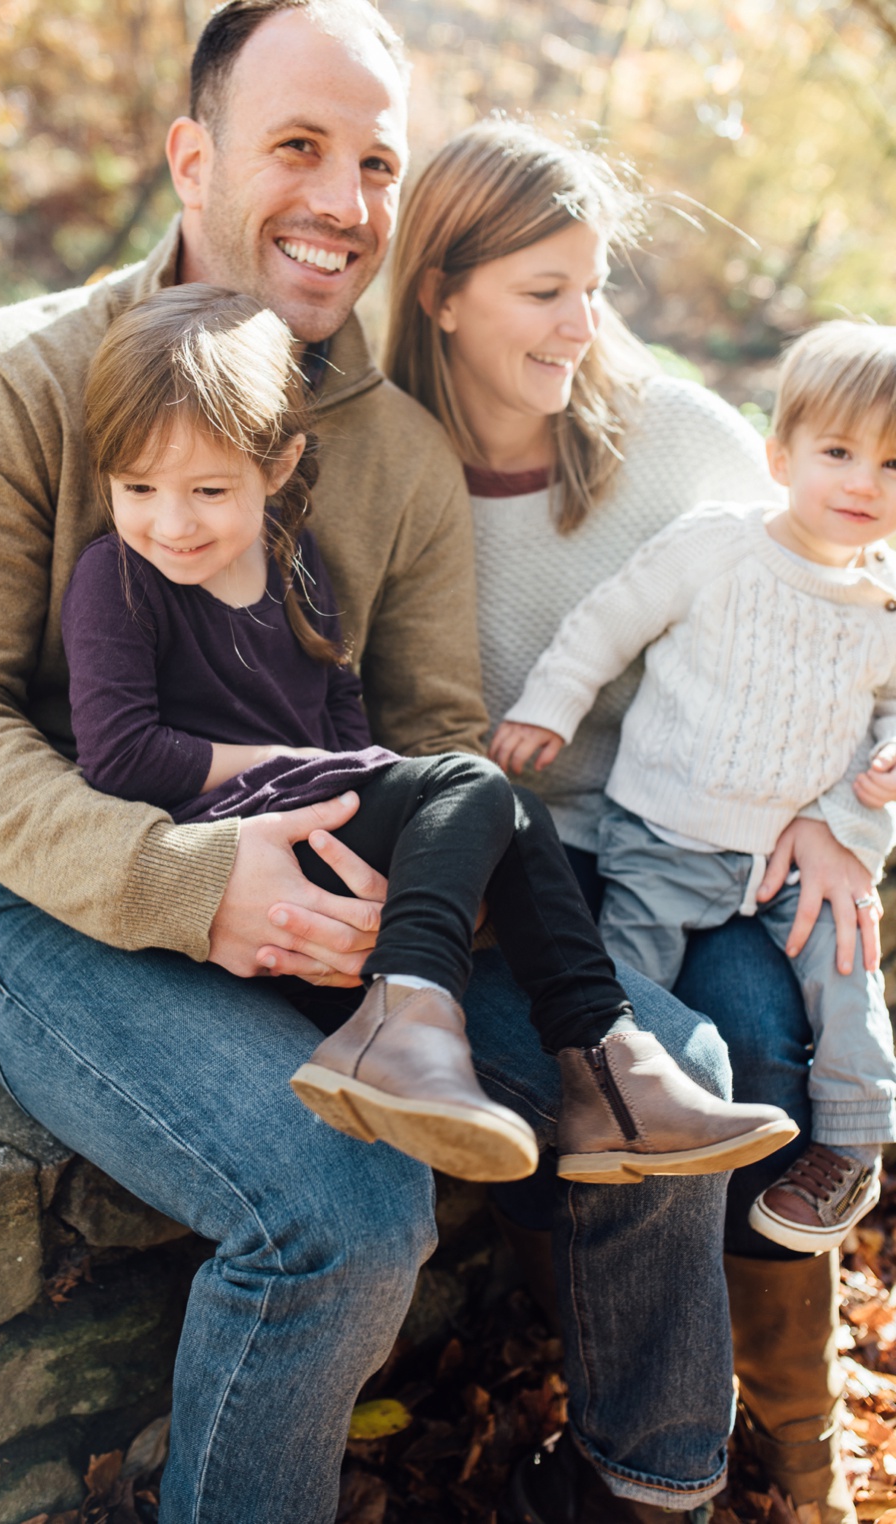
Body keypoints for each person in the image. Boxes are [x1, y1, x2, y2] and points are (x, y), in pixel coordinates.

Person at [0, 1, 746, 1517]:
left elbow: (426, 737)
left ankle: (634, 1488)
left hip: (351, 885)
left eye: (377, 164)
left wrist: (406, 908)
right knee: (345, 1209)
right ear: (191, 157)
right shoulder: (17, 372)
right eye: (299, 148)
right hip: (60, 900)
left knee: (679, 1067)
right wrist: (187, 881)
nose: (344, 204)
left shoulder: (396, 444)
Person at [384, 119, 873, 1524]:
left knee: (768, 1056)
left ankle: (796, 1455)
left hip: (689, 842)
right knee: (610, 1070)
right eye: (546, 290)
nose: (584, 323)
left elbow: (839, 649)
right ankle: (634, 1430)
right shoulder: (382, 463)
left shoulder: (684, 445)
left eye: (595, 285)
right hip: (508, 887)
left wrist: (844, 825)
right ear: (443, 292)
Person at [64, 283, 794, 1183]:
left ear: (279, 463)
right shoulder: (116, 580)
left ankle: (607, 1066)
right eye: (138, 488)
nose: (170, 523)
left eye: (209, 490)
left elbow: (344, 721)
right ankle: (407, 1019)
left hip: (320, 823)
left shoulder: (299, 572)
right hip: (229, 842)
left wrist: (366, 783)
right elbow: (119, 755)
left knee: (510, 809)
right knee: (473, 785)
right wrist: (305, 765)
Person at [493, 321, 896, 1244]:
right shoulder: (718, 546)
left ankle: (853, 1146)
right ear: (780, 455)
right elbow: (607, 623)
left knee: (846, 966)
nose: (866, 482)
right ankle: (590, 1136)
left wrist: (878, 771)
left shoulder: (885, 599)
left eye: (894, 463)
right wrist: (551, 707)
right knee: (624, 989)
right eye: (839, 451)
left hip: (788, 859)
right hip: (665, 835)